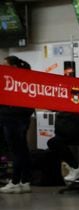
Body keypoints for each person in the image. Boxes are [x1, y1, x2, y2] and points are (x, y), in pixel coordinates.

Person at [0, 56, 34, 194]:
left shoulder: (15, 82)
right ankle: (24, 181)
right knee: (22, 150)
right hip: (20, 120)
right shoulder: (25, 81)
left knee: (17, 152)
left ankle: (15, 181)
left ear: (13, 67)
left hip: (13, 120)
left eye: (4, 65)